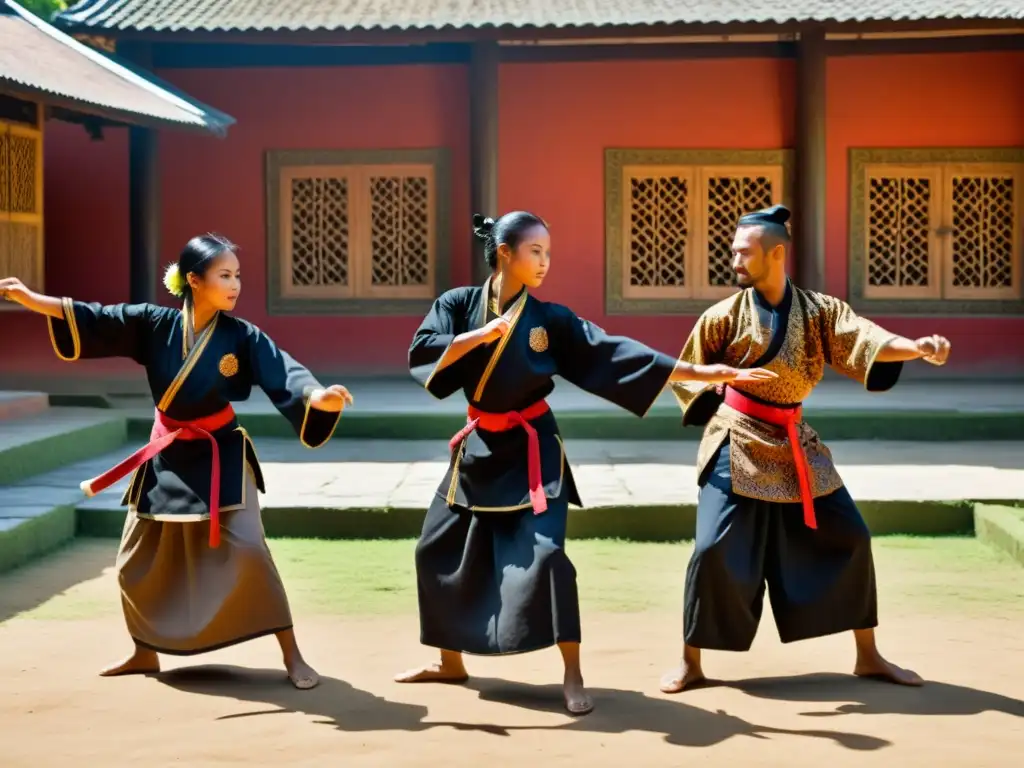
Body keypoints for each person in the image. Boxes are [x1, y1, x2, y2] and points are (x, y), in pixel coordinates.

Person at [396, 211, 776, 716]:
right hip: (477, 447)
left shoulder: (550, 320)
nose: (545, 263)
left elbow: (613, 352)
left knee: (550, 558)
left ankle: (572, 673)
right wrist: (477, 337)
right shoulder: (458, 305)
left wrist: (701, 372)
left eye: (549, 254)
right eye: (536, 252)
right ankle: (450, 662)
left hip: (533, 453)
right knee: (435, 549)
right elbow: (424, 351)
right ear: (505, 252)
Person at [0, 234, 353, 690]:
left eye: (237, 276)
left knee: (249, 550)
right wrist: (32, 300)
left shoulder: (242, 337)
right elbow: (96, 317)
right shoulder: (154, 324)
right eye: (225, 275)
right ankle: (145, 651)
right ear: (194, 280)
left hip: (219, 451)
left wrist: (317, 396)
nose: (235, 285)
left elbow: (283, 370)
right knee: (134, 557)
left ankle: (293, 656)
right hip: (167, 450)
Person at [658, 204, 951, 694]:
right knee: (711, 550)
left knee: (852, 536)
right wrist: (714, 397)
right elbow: (688, 373)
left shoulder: (820, 311)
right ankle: (692, 662)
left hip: (796, 441)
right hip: (738, 439)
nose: (733, 260)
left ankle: (868, 655)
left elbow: (868, 339)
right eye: (732, 251)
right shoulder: (723, 316)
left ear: (776, 253)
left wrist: (918, 346)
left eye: (743, 252)